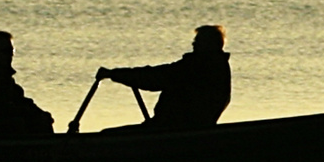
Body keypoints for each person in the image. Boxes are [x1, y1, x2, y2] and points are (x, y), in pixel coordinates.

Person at [98, 25, 232, 130]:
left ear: (209, 44)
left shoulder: (198, 66)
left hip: (176, 127)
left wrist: (114, 74)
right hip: (181, 126)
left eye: (198, 41)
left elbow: (156, 77)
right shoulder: (216, 65)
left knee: (107, 135)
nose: (193, 45)